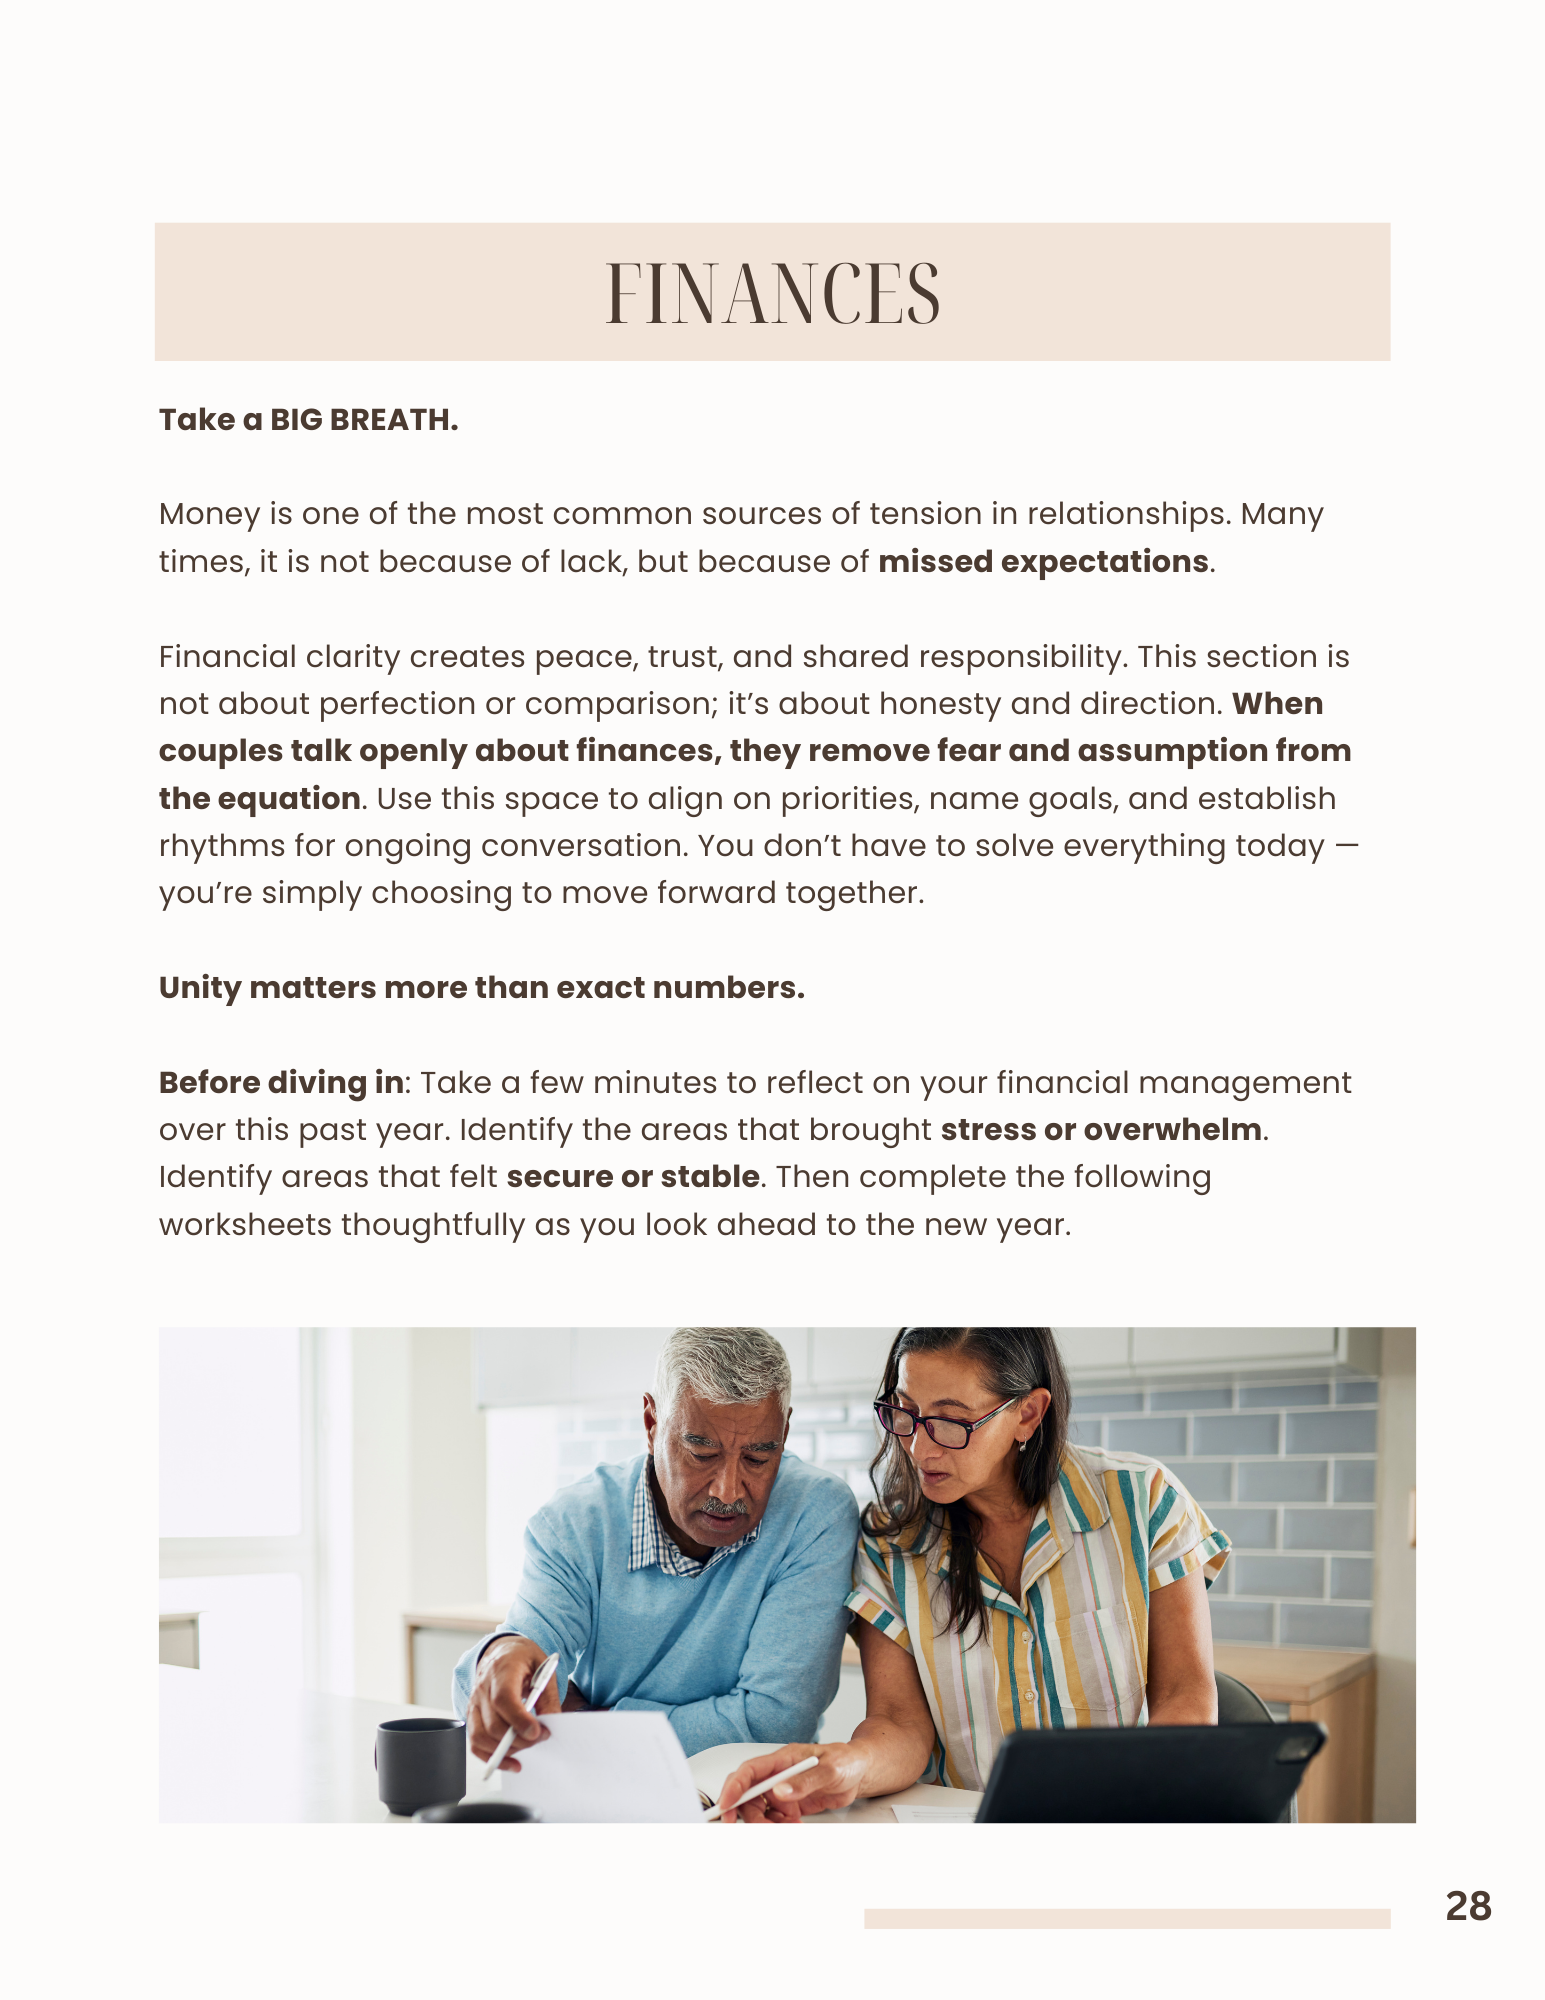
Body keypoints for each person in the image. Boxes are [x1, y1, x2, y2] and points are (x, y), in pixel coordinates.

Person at [717, 1325, 1231, 1821]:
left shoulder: (1143, 1501)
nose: (919, 1447)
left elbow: (1185, 1696)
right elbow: (900, 1726)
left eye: (951, 1421)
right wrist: (843, 1765)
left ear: (1027, 1415)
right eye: (906, 1412)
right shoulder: (888, 1543)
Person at [455, 1326, 860, 1773]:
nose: (728, 1491)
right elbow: (502, 1681)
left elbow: (773, 1724)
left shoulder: (815, 1513)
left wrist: (589, 1725)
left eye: (758, 1458)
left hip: (750, 1800)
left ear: (784, 1434)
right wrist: (501, 1657)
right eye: (701, 1454)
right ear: (651, 1425)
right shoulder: (576, 1523)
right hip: (597, 1792)